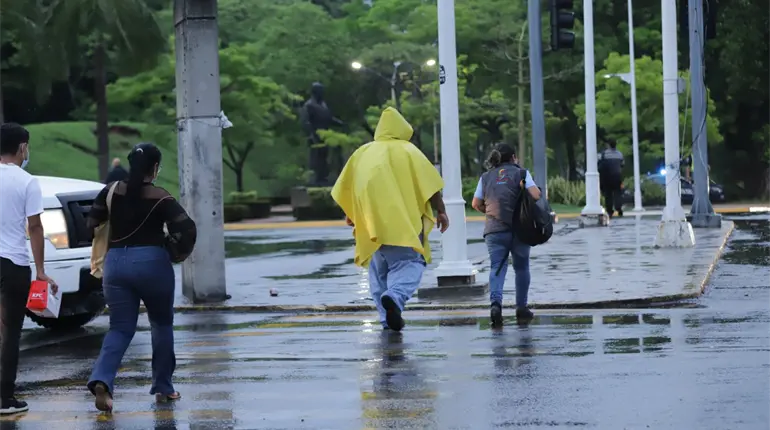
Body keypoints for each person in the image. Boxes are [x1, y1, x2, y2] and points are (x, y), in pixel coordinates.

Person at [86, 143, 197, 412]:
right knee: (161, 323)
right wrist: (175, 251)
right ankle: (163, 387)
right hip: (152, 263)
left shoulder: (111, 190)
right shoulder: (160, 197)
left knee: (120, 328)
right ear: (155, 168)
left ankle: (102, 378)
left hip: (115, 264)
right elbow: (187, 228)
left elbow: (92, 222)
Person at [332, 107, 448, 332]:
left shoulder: (362, 153)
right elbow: (431, 186)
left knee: (379, 272)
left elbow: (347, 188)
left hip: (370, 224)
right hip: (402, 223)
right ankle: (395, 297)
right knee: (409, 263)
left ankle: (386, 319)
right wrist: (441, 211)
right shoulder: (409, 151)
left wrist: (351, 214)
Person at [0, 123, 58, 415]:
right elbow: (34, 227)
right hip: (12, 263)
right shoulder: (26, 181)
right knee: (9, 332)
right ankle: (5, 398)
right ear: (22, 147)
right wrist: (41, 270)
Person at [471, 143, 539, 327]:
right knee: (522, 267)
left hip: (494, 230)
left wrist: (490, 212)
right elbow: (536, 194)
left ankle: (495, 305)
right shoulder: (521, 173)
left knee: (497, 268)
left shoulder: (485, 177)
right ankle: (521, 308)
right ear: (514, 157)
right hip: (520, 229)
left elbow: (475, 203)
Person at [598, 141, 625, 217]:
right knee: (617, 193)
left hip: (607, 176)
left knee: (608, 194)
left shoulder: (604, 154)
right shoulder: (619, 154)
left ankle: (610, 211)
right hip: (617, 176)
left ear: (608, 145)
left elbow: (600, 164)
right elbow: (622, 164)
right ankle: (619, 208)